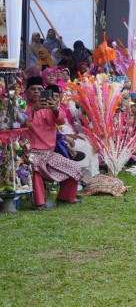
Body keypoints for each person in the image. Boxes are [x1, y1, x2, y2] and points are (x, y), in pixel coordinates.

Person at [25, 76, 83, 210]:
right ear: (26, 91)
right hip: (31, 153)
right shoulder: (24, 106)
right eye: (32, 89)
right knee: (35, 167)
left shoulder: (50, 105)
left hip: (50, 153)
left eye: (39, 89)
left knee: (75, 168)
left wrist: (56, 109)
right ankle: (40, 203)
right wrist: (32, 110)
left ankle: (65, 197)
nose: (36, 92)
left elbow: (61, 121)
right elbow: (21, 123)